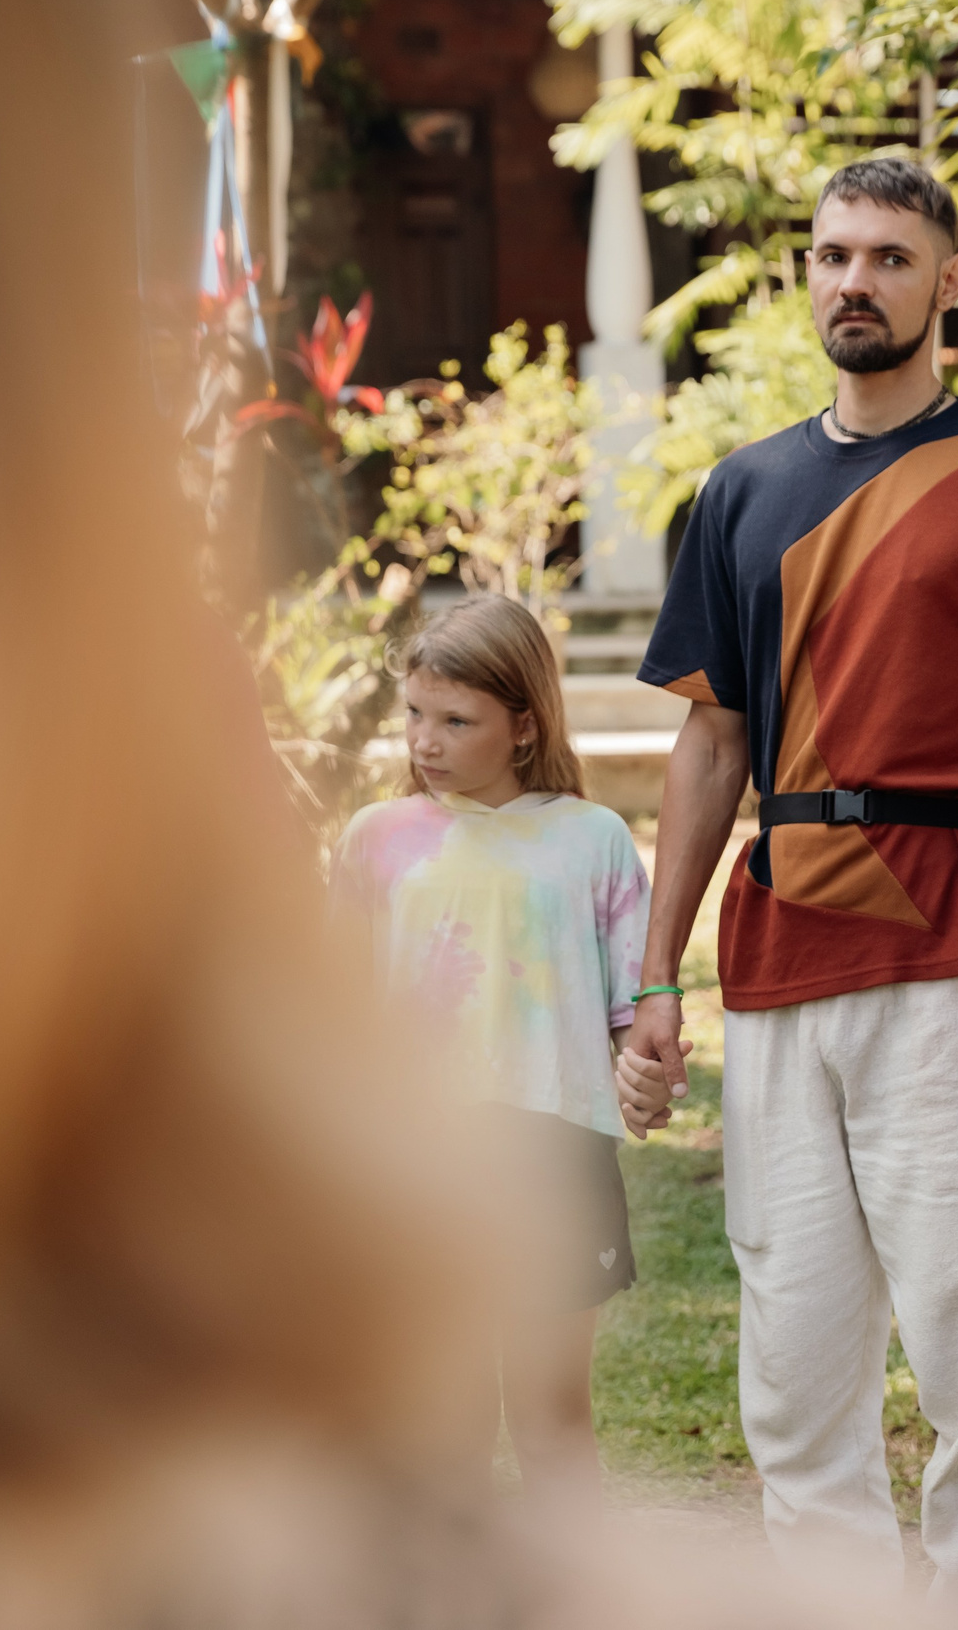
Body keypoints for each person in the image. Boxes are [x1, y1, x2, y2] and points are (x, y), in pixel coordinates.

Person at [611, 156, 958, 1613]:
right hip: (773, 969)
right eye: (834, 254)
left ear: (950, 281)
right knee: (795, 1365)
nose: (855, 281)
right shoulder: (741, 488)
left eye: (891, 257)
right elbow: (710, 746)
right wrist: (655, 981)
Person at [330, 596, 651, 1480]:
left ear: (523, 725)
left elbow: (635, 1016)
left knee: (552, 1421)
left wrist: (650, 1070)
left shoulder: (594, 841)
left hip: (555, 1162)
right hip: (420, 1163)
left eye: (455, 720)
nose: (423, 741)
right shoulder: (376, 841)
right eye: (415, 715)